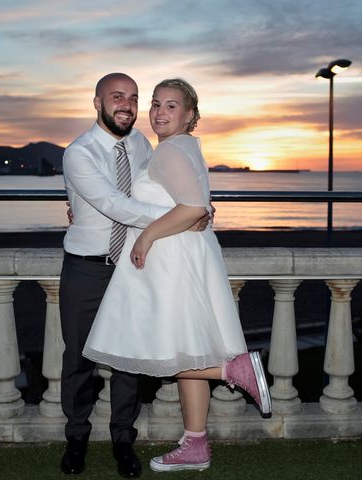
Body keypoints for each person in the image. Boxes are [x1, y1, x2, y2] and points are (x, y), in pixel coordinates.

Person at [83, 78, 271, 473]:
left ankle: (231, 370)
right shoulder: (184, 147)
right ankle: (196, 444)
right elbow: (197, 207)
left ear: (189, 115)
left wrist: (146, 237)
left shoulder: (169, 151)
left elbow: (192, 207)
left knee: (153, 351)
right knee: (186, 346)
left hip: (169, 261)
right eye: (156, 104)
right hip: (186, 255)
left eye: (171, 106)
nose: (159, 112)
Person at [59, 72, 208, 478]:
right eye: (117, 96)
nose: (127, 104)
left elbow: (169, 191)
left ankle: (123, 442)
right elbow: (115, 204)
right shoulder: (79, 152)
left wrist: (194, 208)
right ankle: (76, 441)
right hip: (86, 270)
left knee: (128, 360)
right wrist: (183, 217)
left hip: (132, 264)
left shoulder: (143, 144)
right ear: (97, 102)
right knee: (78, 360)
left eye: (133, 98)